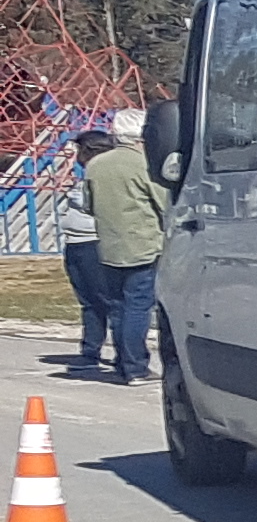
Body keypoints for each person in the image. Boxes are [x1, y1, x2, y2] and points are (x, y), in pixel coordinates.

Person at [83, 110, 171, 387]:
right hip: (142, 244)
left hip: (108, 246)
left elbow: (88, 205)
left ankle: (123, 363)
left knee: (118, 307)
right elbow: (164, 204)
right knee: (138, 307)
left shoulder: (95, 165)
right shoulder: (143, 164)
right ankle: (136, 367)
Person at [58, 130, 116, 372]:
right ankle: (90, 350)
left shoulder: (105, 173)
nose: (76, 156)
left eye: (80, 150)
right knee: (88, 301)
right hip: (75, 243)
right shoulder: (85, 176)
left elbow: (94, 204)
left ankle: (126, 354)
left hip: (94, 243)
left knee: (105, 299)